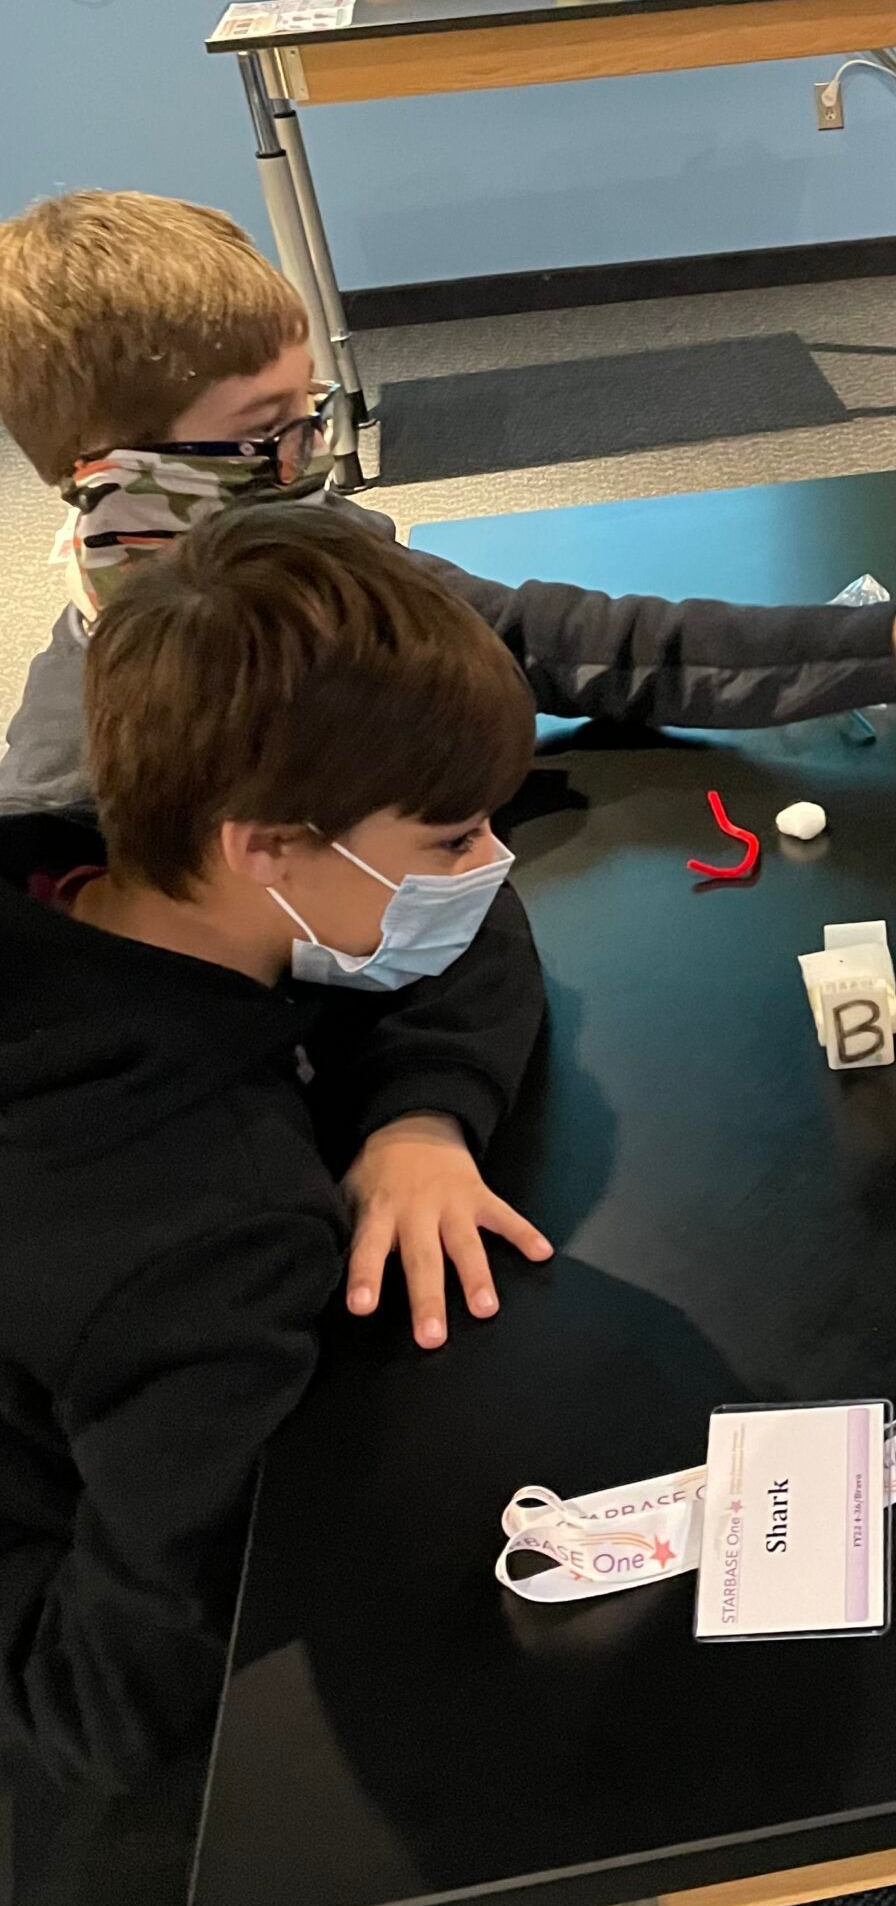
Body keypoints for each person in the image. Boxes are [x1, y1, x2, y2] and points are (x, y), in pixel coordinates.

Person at [0, 189, 896, 1344]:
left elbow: (565, 646)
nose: (313, 462)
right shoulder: (80, 810)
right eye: (271, 433)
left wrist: (856, 646)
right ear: (124, 476)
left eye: (313, 416)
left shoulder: (330, 579)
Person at [0, 510, 544, 1791]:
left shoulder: (80, 865)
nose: (489, 865)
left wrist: (419, 1112)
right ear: (268, 849)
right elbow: (110, 1701)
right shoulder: (215, 1236)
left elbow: (463, 929)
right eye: (452, 840)